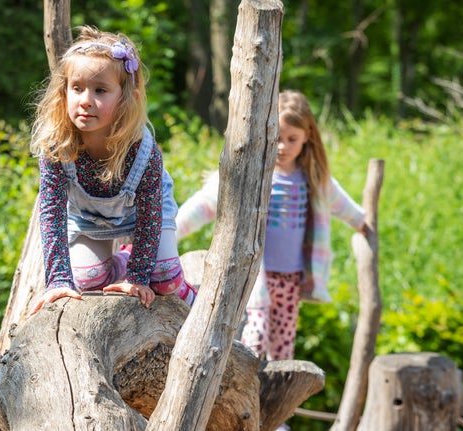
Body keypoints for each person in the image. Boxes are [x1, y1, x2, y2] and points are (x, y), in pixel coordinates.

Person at [176, 90, 366, 361]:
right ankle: (247, 389)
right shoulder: (252, 172)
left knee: (283, 344)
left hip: (291, 278)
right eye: (276, 137)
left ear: (307, 137)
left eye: (292, 139)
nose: (282, 147)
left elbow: (345, 207)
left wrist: (363, 223)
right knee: (255, 334)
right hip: (255, 274)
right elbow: (206, 202)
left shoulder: (315, 178)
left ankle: (275, 394)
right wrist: (171, 230)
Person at [28, 26, 197, 316]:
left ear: (125, 97)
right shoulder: (58, 146)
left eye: (100, 90)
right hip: (88, 220)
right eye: (77, 88)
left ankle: (199, 303)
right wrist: (58, 279)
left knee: (165, 280)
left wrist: (138, 277)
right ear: (63, 91)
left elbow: (150, 214)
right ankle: (120, 261)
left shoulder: (141, 150)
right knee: (87, 280)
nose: (85, 100)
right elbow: (51, 211)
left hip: (143, 216)